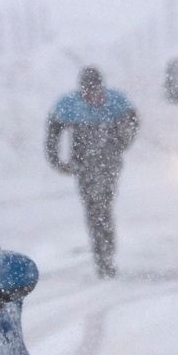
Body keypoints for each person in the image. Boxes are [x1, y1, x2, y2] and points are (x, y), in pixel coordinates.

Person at [45, 66, 139, 277]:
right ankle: (102, 253)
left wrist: (122, 142)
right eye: (87, 91)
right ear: (81, 90)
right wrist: (57, 160)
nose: (91, 96)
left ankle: (105, 252)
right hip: (84, 166)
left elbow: (133, 121)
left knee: (102, 205)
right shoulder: (70, 105)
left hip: (109, 165)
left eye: (95, 90)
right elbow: (53, 131)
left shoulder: (115, 102)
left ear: (101, 88)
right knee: (93, 208)